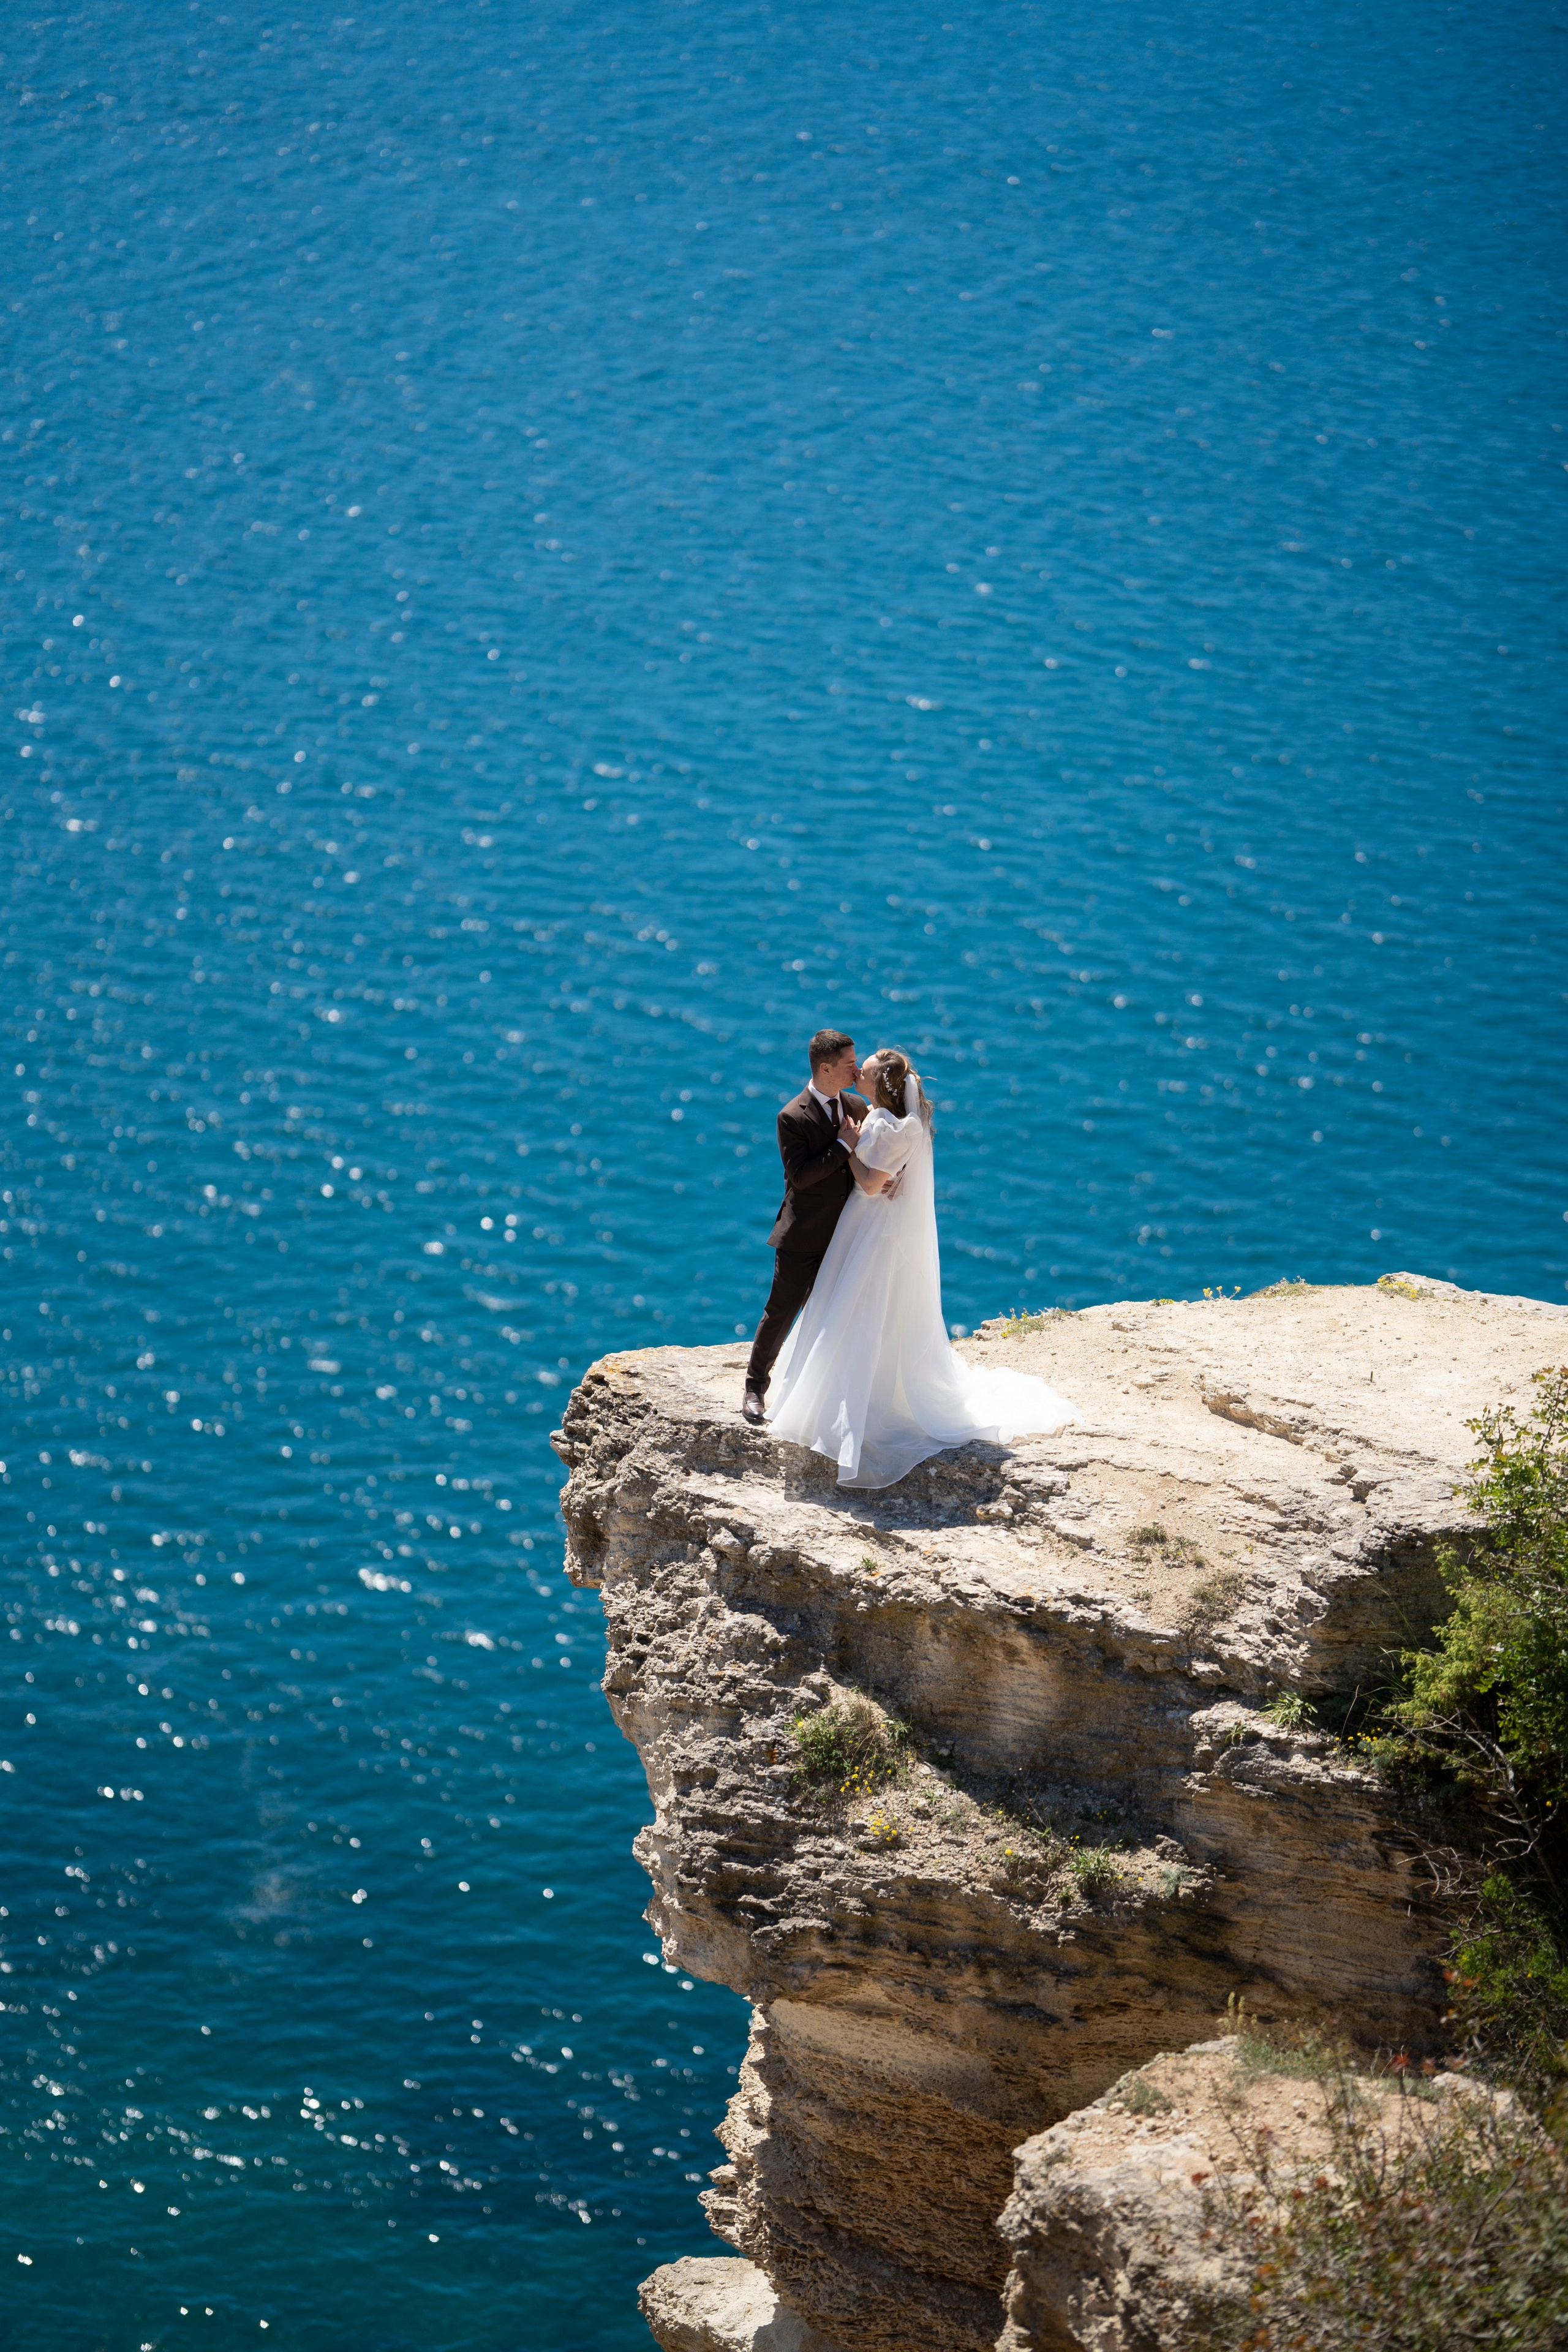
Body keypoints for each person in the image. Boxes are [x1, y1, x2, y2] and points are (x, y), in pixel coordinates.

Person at [765, 1047, 1077, 1488]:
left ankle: (852, 1401)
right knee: (855, 1306)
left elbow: (873, 1184)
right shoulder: (892, 1119)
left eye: (865, 1072)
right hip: (867, 1224)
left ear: (879, 1086)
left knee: (857, 1305)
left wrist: (849, 1149)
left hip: (870, 1226)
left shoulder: (887, 1124)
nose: (857, 1073)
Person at [742, 1029, 869, 1426]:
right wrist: (844, 1146)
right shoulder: (792, 1116)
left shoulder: (856, 1105)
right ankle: (754, 1388)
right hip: (803, 1237)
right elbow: (800, 1175)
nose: (858, 1069)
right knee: (780, 1312)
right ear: (826, 1068)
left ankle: (832, 1399)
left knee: (841, 1317)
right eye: (850, 1064)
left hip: (846, 1235)